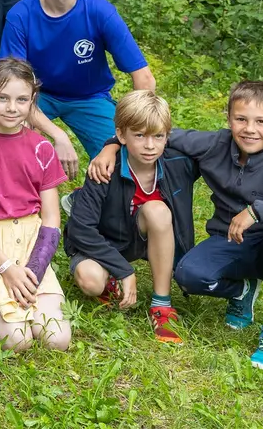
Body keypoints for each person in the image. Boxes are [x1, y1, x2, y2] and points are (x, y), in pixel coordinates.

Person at [89, 80, 263, 370]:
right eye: (241, 119)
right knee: (187, 274)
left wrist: (259, 211)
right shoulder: (214, 144)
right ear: (229, 120)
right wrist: (110, 147)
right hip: (230, 241)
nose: (250, 129)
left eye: (262, 122)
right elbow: (152, 132)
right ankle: (242, 291)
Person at [0, 0, 153, 159]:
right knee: (7, 137)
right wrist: (58, 136)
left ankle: (88, 196)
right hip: (37, 96)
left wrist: (130, 131)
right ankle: (22, 192)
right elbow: (10, 87)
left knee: (126, 154)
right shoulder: (20, 16)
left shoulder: (101, 12)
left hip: (90, 97)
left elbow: (144, 79)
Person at [64, 90, 195, 345]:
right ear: (122, 135)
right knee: (90, 280)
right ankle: (111, 281)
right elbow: (80, 230)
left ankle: (162, 305)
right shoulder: (104, 168)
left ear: (167, 136)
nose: (149, 145)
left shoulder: (179, 161)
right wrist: (124, 271)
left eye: (158, 137)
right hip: (102, 243)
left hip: (141, 237)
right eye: (139, 136)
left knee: (157, 210)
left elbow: (227, 143)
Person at [0, 58, 71, 351]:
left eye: (22, 100)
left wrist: (33, 270)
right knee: (17, 342)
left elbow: (51, 219)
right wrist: (6, 267)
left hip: (30, 242)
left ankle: (23, 299)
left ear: (32, 101)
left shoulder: (42, 147)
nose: (12, 108)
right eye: (3, 98)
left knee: (56, 339)